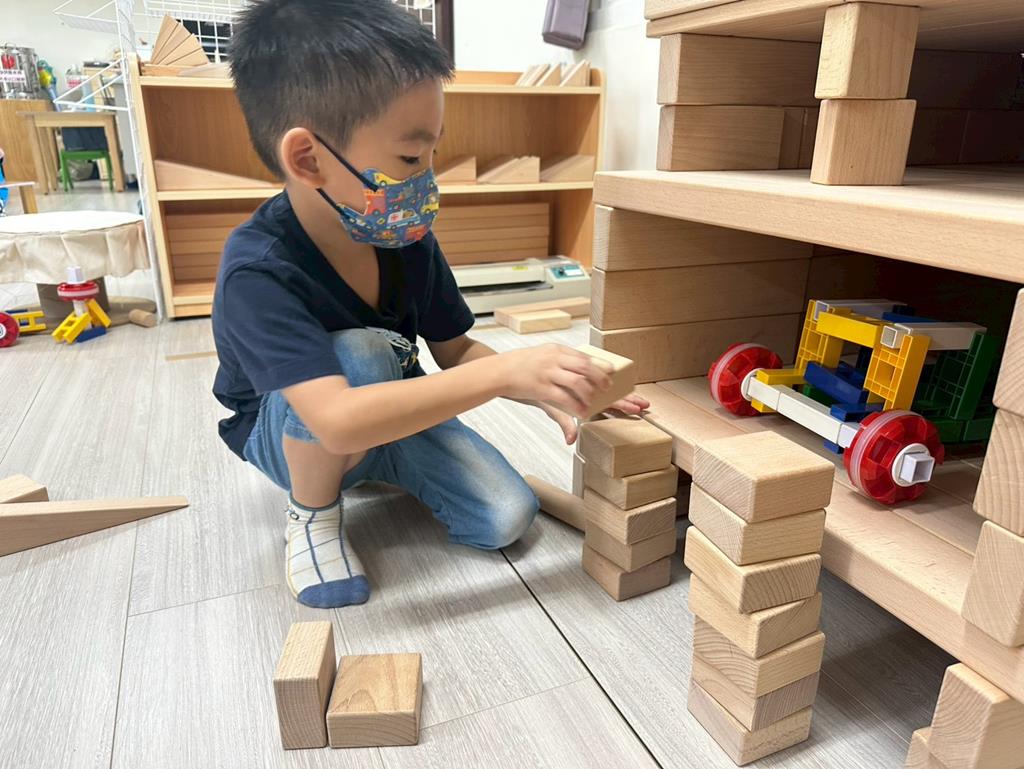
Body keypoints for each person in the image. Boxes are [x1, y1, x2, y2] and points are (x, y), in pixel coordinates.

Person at [213, 0, 648, 609]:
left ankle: (376, 461)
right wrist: (506, 372)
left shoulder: (403, 236)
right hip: (289, 431)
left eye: (431, 155)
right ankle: (312, 513)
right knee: (362, 352)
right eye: (411, 159)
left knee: (505, 516)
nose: (427, 178)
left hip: (386, 408)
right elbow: (335, 419)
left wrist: (551, 385)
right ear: (308, 159)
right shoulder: (258, 269)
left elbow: (456, 349)